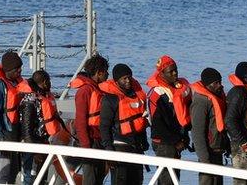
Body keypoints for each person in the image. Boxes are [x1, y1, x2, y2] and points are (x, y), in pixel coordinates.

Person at [145, 55, 192, 185]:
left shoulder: (178, 89)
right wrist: (176, 141)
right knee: (166, 180)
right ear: (161, 73)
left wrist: (184, 137)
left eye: (176, 69)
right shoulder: (157, 94)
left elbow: (182, 117)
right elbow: (157, 125)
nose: (175, 73)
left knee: (174, 178)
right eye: (170, 71)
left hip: (177, 141)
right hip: (164, 143)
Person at [99, 63, 149, 185]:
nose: (128, 81)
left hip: (136, 147)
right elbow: (104, 127)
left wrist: (144, 142)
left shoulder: (136, 96)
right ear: (116, 81)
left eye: (130, 77)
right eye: (124, 78)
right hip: (119, 147)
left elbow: (140, 122)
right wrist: (109, 150)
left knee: (137, 181)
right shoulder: (110, 99)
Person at [69, 54, 109, 185]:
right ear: (99, 73)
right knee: (90, 179)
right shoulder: (85, 91)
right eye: (105, 72)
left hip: (99, 139)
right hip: (91, 141)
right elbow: (80, 121)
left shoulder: (96, 89)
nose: (107, 75)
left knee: (99, 178)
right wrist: (86, 146)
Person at [18, 70, 62, 185]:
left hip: (44, 142)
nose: (51, 83)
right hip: (33, 145)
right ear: (44, 82)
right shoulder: (30, 100)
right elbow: (26, 129)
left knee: (42, 177)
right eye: (49, 81)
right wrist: (34, 151)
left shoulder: (43, 95)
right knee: (30, 178)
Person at [0, 51, 24, 184]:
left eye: (20, 67)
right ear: (8, 69)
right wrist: (1, 137)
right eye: (17, 68)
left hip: (14, 132)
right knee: (3, 172)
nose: (20, 70)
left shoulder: (16, 83)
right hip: (2, 135)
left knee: (14, 172)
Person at [191, 68, 230, 185]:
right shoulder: (201, 102)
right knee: (207, 181)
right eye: (216, 83)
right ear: (207, 85)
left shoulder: (218, 97)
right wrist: (204, 159)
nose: (220, 85)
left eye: (220, 82)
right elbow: (197, 132)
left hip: (218, 150)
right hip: (208, 151)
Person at [225, 62, 247, 185]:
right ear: (244, 78)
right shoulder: (239, 93)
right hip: (241, 146)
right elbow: (230, 120)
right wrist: (244, 143)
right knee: (242, 181)